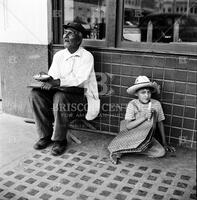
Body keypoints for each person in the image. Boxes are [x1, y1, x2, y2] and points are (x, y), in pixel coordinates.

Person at [29, 22, 100, 156]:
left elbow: (81, 80)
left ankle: (60, 140)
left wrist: (57, 82)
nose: (65, 36)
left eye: (70, 33)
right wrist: (46, 78)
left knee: (60, 97)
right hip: (59, 92)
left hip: (78, 97)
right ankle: (45, 135)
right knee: (35, 94)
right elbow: (53, 76)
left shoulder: (87, 56)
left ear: (79, 39)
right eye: (65, 33)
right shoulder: (59, 55)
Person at [108, 76, 175, 164]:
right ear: (136, 94)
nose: (146, 95)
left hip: (147, 138)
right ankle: (128, 149)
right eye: (143, 92)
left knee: (161, 152)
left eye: (148, 92)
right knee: (116, 149)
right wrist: (144, 117)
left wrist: (164, 143)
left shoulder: (156, 104)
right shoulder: (132, 104)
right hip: (132, 135)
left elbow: (160, 123)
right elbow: (128, 126)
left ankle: (133, 149)